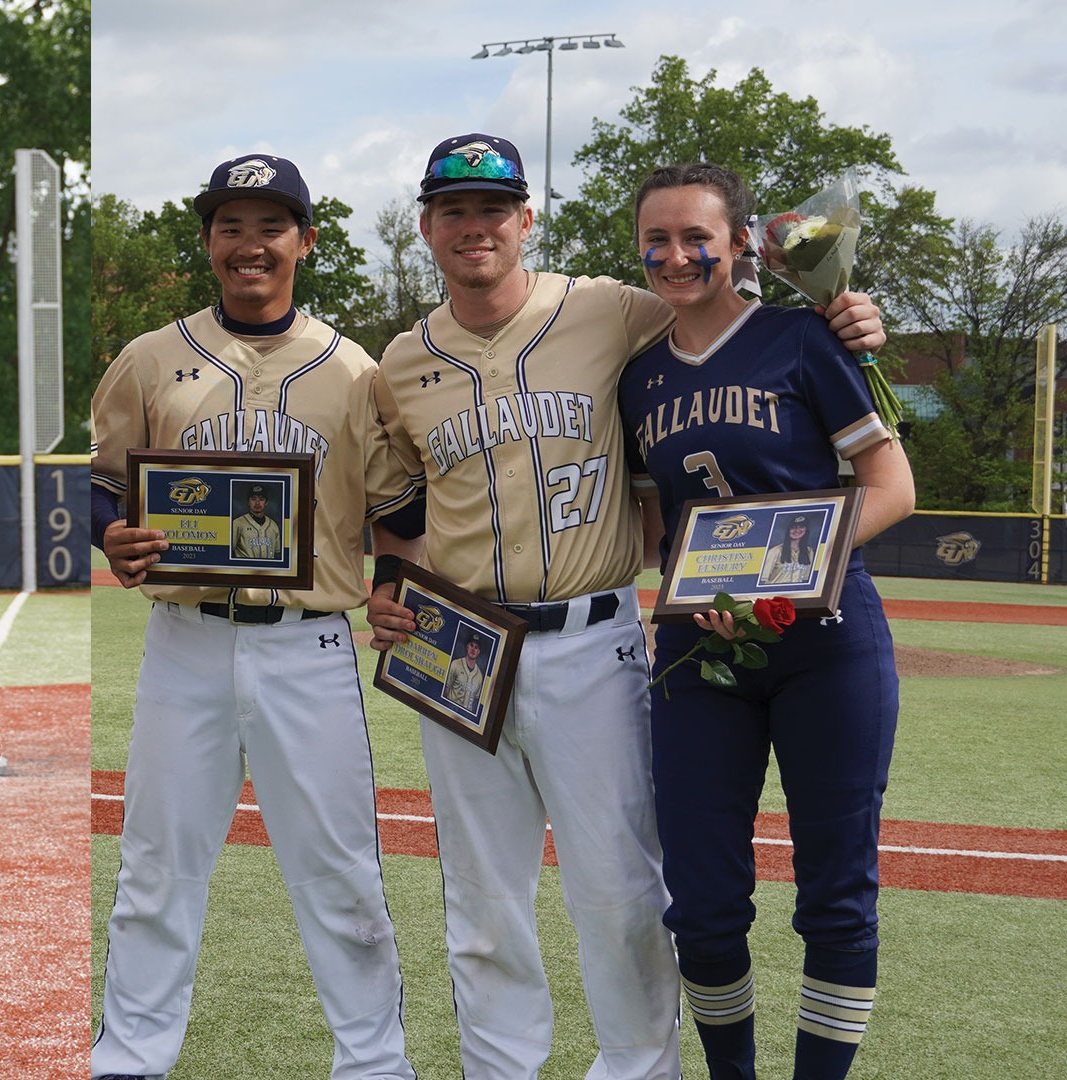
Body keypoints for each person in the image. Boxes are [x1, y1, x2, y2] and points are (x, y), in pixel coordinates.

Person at [365, 133, 889, 1080]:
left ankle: (640, 1068)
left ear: (527, 219)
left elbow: (724, 310)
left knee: (619, 893)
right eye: (453, 210)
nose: (474, 226)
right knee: (481, 901)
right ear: (428, 227)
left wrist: (845, 312)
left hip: (590, 630)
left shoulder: (614, 310)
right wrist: (391, 585)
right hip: (461, 641)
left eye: (494, 208)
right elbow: (397, 501)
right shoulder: (399, 363)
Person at [91, 154, 418, 1080]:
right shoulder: (151, 357)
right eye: (231, 226)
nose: (250, 245)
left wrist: (398, 584)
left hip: (307, 646)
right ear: (208, 243)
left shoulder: (353, 369)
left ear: (305, 243)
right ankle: (130, 1057)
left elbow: (399, 515)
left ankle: (373, 1063)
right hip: (184, 641)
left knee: (341, 871)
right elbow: (102, 482)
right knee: (156, 866)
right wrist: (113, 533)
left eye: (271, 226)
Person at [617, 161, 915, 1080]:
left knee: (836, 896)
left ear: (741, 243)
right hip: (699, 653)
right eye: (657, 240)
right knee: (702, 905)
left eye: (696, 237)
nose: (677, 255)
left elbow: (892, 486)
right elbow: (654, 533)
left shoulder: (805, 338)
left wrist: (784, 577)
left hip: (825, 642)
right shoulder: (637, 379)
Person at [759, 515, 819, 586]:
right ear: (788, 530)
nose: (797, 530)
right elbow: (762, 581)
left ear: (806, 529)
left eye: (801, 527)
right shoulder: (775, 551)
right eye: (793, 527)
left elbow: (805, 579)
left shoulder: (809, 551)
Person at [229, 483, 282, 559]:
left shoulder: (273, 525)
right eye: (253, 499)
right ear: (248, 502)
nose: (257, 503)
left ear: (266, 502)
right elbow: (228, 552)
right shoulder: (237, 523)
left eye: (261, 499)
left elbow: (277, 553)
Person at [443, 636, 486, 716]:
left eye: (476, 647)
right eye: (471, 645)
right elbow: (447, 689)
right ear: (467, 647)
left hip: (466, 716)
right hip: (450, 709)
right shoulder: (456, 664)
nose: (473, 649)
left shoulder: (479, 675)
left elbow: (475, 700)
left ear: (478, 652)